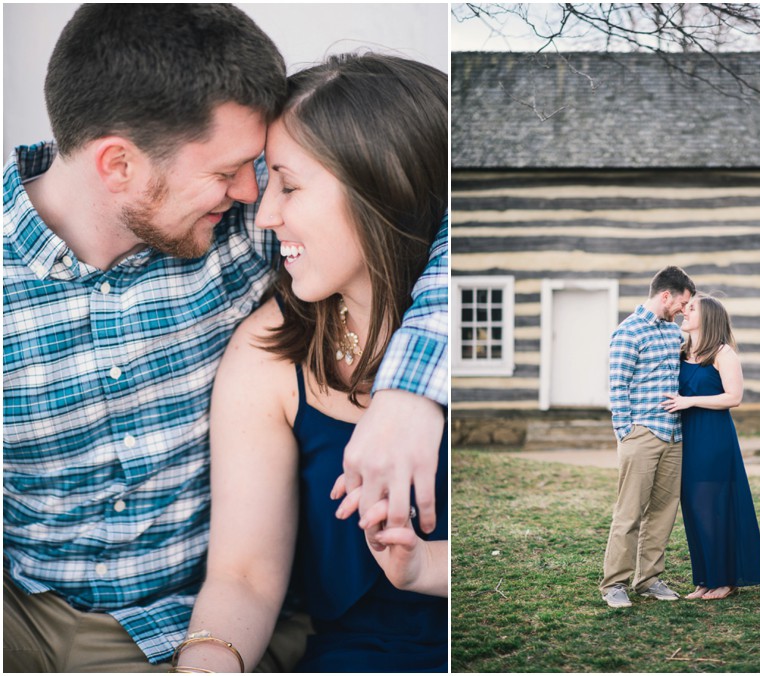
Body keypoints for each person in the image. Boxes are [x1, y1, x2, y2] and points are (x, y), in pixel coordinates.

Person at [3, 6, 446, 672]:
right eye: (230, 172)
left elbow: (421, 196)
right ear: (117, 164)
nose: (254, 199)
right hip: (23, 606)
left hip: (189, 615)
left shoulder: (259, 215)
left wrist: (412, 388)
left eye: (269, 176)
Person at [169, 54, 447, 674]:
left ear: (385, 186)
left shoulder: (455, 328)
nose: (265, 216)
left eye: (289, 186)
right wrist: (207, 663)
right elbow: (243, 577)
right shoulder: (268, 350)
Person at [662, 295, 760, 600]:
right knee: (694, 508)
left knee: (714, 507)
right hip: (686, 438)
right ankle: (705, 580)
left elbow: (733, 397)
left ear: (708, 317)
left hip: (713, 438)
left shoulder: (723, 354)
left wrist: (691, 401)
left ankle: (725, 580)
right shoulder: (681, 352)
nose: (685, 310)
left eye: (692, 308)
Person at [600, 266, 695, 609]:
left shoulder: (674, 335)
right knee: (629, 512)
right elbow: (617, 388)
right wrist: (626, 433)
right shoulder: (628, 333)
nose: (685, 310)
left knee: (664, 511)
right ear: (666, 295)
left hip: (674, 436)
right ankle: (614, 584)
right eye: (682, 302)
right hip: (642, 434)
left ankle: (648, 579)